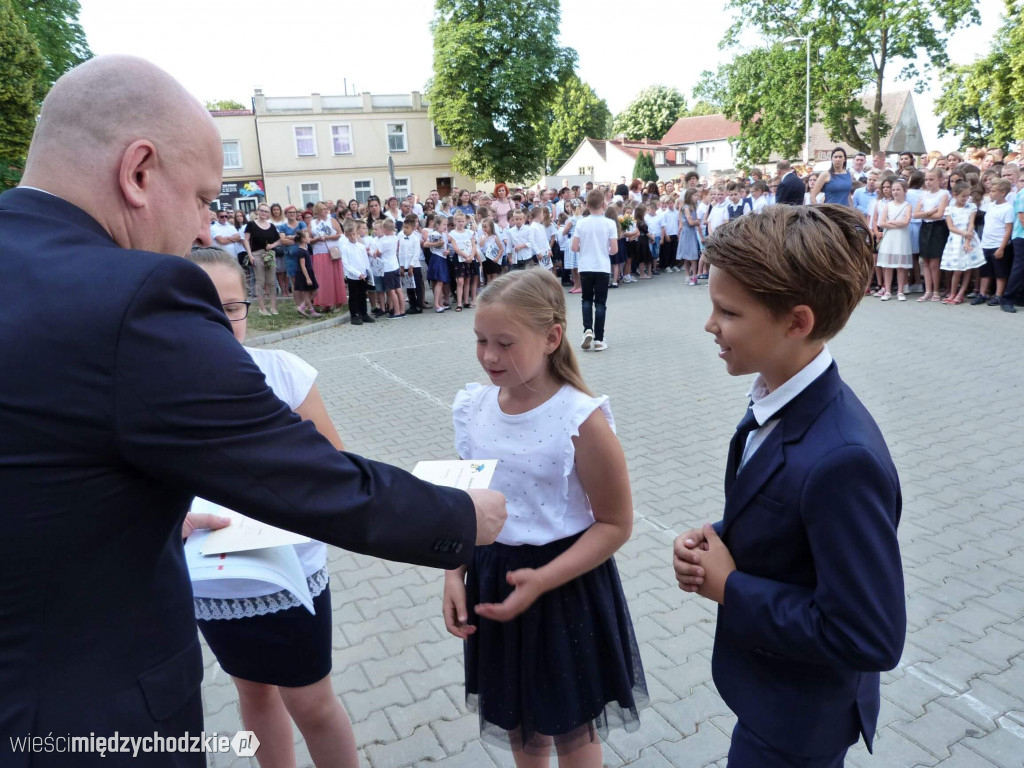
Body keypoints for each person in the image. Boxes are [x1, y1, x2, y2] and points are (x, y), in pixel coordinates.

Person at [0, 55, 507, 767]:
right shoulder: (133, 297)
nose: (205, 226)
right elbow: (300, 475)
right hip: (80, 721)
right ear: (139, 171)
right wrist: (460, 517)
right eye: (206, 198)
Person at [673, 204, 905, 768]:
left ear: (796, 322)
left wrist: (731, 587)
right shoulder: (776, 396)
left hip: (800, 721)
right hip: (770, 694)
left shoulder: (843, 459)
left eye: (727, 312)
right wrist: (719, 539)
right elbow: (787, 513)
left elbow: (870, 635)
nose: (710, 325)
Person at [446, 269, 647, 768]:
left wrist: (543, 580)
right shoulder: (474, 408)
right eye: (480, 341)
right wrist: (454, 572)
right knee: (518, 724)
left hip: (563, 586)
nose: (489, 355)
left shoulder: (580, 418)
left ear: (552, 337)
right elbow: (470, 500)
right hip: (496, 579)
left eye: (505, 343)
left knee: (572, 730)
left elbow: (616, 523)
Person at [185, 247, 355, 768]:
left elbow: (339, 465)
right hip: (214, 582)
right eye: (202, 308)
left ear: (248, 307)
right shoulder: (157, 387)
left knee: (311, 701)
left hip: (288, 574)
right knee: (253, 694)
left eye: (232, 307)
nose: (221, 321)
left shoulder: (281, 371)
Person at [572, 189, 617, 351]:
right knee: (600, 303)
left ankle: (587, 329)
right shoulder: (609, 224)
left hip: (585, 266)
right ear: (604, 204)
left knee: (586, 300)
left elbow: (574, 247)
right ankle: (599, 339)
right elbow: (614, 250)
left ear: (587, 205)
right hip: (602, 266)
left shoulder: (581, 223)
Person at [940, 181, 987, 304]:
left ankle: (960, 294)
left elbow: (971, 223)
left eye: (967, 196)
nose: (966, 198)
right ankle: (953, 292)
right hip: (955, 240)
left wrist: (967, 240)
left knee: (967, 267)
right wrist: (963, 234)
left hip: (969, 238)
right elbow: (951, 227)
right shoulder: (949, 209)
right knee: (957, 269)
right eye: (963, 196)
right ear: (955, 195)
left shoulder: (971, 207)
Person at [974, 179, 1016, 305]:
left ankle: (998, 295)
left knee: (1000, 272)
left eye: (993, 191)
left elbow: (1008, 230)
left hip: (998, 245)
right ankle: (982, 293)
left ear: (1003, 192)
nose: (990, 193)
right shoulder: (991, 205)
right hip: (986, 243)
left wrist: (1002, 248)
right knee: (985, 271)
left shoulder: (1008, 208)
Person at [913, 168, 950, 302]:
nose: (928, 182)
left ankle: (936, 290)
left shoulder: (944, 194)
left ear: (939, 180)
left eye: (931, 179)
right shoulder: (923, 194)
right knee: (926, 261)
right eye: (926, 179)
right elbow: (916, 214)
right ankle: (928, 290)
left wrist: (927, 213)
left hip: (938, 228)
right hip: (925, 227)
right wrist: (930, 212)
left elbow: (940, 215)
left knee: (934, 261)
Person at [876, 179, 913, 300]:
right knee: (888, 266)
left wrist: (890, 222)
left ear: (904, 191)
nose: (895, 192)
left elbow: (906, 222)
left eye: (898, 189)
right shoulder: (888, 205)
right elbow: (881, 222)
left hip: (901, 238)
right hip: (890, 237)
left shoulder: (907, 205)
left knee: (901, 266)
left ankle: (900, 291)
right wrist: (895, 224)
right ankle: (887, 290)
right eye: (894, 190)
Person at [243, 202, 282, 316]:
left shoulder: (271, 226)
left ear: (268, 213)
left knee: (271, 282)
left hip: (269, 254)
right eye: (262, 211)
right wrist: (250, 255)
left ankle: (273, 307)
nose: (264, 213)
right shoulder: (251, 224)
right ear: (258, 211)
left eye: (266, 211)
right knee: (260, 281)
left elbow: (279, 240)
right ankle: (262, 308)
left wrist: (272, 246)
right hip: (256, 254)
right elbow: (245, 240)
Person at [341, 219, 375, 325]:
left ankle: (364, 313)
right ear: (346, 235)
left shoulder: (361, 246)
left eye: (354, 234)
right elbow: (346, 264)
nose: (352, 237)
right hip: (353, 276)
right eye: (350, 235)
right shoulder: (345, 247)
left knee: (362, 295)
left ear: (356, 233)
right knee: (353, 296)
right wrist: (357, 273)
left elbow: (365, 261)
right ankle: (355, 315)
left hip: (363, 275)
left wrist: (367, 273)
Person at [398, 214, 425, 314]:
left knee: (417, 286)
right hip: (405, 266)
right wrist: (401, 266)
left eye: (407, 228)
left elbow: (416, 253)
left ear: (413, 228)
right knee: (409, 286)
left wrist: (411, 266)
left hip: (414, 266)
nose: (404, 229)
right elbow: (400, 253)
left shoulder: (415, 239)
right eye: (403, 227)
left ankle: (419, 305)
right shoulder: (402, 239)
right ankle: (412, 304)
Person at [290, 230, 320, 318]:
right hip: (305, 274)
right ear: (303, 239)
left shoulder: (305, 249)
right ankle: (311, 310)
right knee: (308, 293)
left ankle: (302, 307)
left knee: (314, 291)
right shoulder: (301, 251)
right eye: (308, 237)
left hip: (309, 272)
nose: (309, 238)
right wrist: (307, 278)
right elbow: (303, 266)